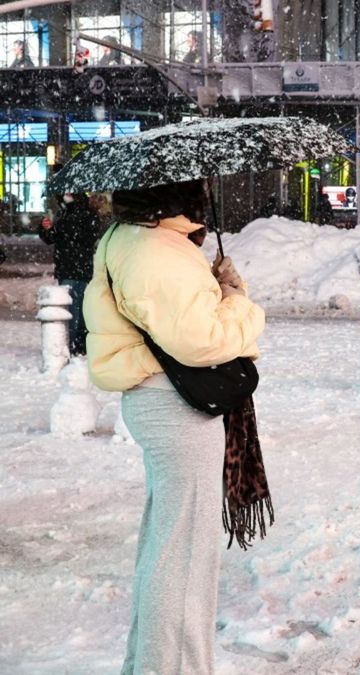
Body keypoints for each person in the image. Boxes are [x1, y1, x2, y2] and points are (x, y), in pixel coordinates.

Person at [82, 180, 265, 674]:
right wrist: (240, 303)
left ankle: (149, 665)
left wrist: (219, 286)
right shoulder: (154, 250)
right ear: (177, 192)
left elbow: (179, 319)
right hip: (176, 405)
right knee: (183, 560)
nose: (204, 195)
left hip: (162, 398)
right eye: (198, 188)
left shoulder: (138, 238)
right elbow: (202, 341)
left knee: (168, 548)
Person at [39, 193, 102, 355]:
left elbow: (83, 237)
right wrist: (46, 229)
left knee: (76, 309)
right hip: (68, 267)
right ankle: (77, 344)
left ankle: (77, 345)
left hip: (77, 268)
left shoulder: (84, 214)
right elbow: (53, 238)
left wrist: (57, 227)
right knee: (75, 308)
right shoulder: (66, 213)